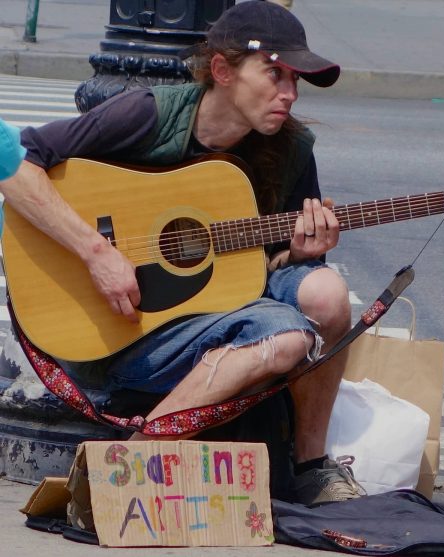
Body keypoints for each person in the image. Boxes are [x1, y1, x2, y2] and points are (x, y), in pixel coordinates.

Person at [0, 1, 362, 505]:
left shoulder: (292, 149)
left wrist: (300, 254)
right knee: (285, 339)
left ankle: (311, 467)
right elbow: (16, 165)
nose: (289, 93)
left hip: (218, 311)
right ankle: (127, 465)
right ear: (222, 70)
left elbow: (266, 267)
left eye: (295, 80)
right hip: (123, 324)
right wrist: (96, 254)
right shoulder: (147, 114)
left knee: (327, 293)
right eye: (275, 74)